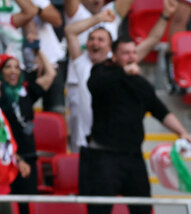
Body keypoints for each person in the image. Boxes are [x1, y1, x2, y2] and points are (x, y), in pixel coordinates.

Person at [80, 35, 191, 214]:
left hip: (133, 157)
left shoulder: (140, 83)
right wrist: (123, 72)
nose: (131, 56)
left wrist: (182, 132)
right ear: (114, 56)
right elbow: (94, 85)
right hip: (103, 157)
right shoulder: (101, 71)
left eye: (133, 52)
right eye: (125, 53)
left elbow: (160, 111)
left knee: (142, 210)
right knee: (99, 213)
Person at [65, 2, 171, 153]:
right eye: (91, 39)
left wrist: (166, 14)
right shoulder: (81, 62)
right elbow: (69, 31)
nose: (95, 43)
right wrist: (98, 18)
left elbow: (152, 40)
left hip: (109, 141)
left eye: (100, 40)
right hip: (83, 141)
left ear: (110, 48)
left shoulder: (119, 63)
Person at [0, 51, 55, 214]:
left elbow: (51, 73)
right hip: (7, 160)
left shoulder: (26, 92)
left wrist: (37, 51)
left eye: (17, 67)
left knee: (28, 208)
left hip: (28, 157)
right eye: (8, 67)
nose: (13, 71)